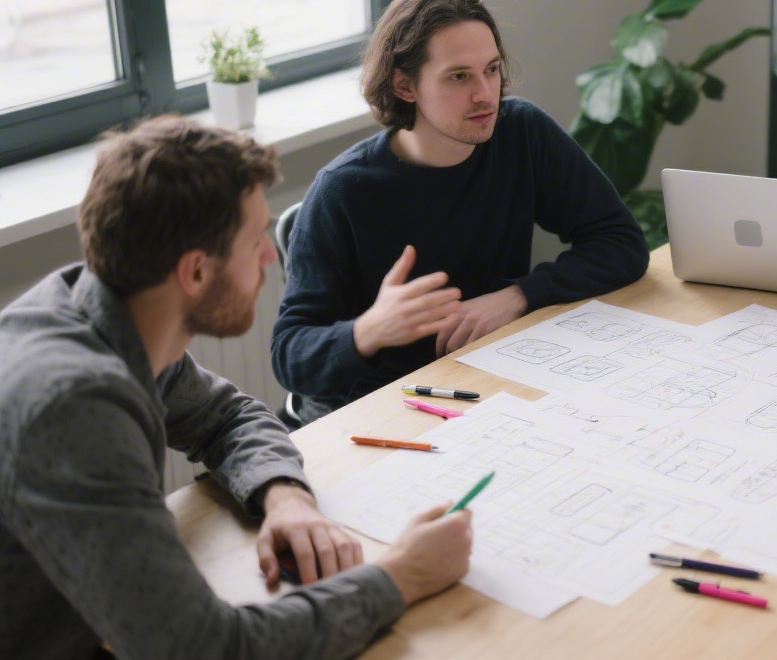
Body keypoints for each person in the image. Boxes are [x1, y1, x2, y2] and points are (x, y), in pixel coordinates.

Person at [0, 117, 473, 659]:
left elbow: (226, 416)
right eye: (255, 242)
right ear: (196, 272)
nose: (272, 256)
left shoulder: (96, 308)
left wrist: (285, 496)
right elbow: (206, 649)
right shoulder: (75, 409)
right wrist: (400, 575)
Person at [271, 0, 650, 423]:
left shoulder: (520, 133)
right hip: (394, 409)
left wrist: (517, 296)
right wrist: (370, 330)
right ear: (404, 85)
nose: (486, 95)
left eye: (491, 70)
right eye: (459, 76)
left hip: (496, 383)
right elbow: (289, 356)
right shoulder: (343, 191)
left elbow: (621, 243)